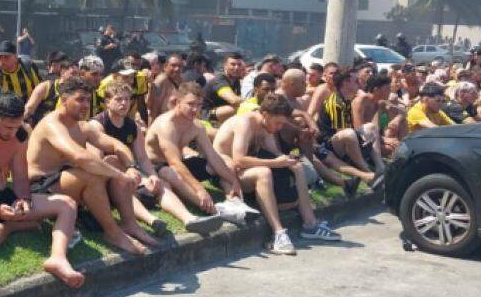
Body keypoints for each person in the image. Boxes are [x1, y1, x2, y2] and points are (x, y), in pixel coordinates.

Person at [0, 93, 85, 287]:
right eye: (8, 127)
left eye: (17, 126)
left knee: (67, 204)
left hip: (5, 195)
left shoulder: (20, 135)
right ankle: (13, 226)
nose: (13, 132)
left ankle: (58, 259)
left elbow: (19, 175)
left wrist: (24, 200)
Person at [27, 77, 159, 255]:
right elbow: (81, 157)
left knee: (116, 161)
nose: (86, 105)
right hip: (41, 188)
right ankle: (113, 233)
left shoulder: (82, 127)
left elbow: (117, 145)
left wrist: (130, 166)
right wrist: (120, 175)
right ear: (64, 100)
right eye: (80, 99)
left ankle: (130, 224)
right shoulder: (52, 124)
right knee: (92, 176)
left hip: (65, 181)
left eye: (88, 100)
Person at [213, 94, 341, 255]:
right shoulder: (245, 123)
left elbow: (275, 153)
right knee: (263, 172)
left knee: (297, 167)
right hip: (226, 171)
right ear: (265, 114)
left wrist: (287, 160)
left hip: (243, 170)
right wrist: (276, 163)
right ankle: (279, 234)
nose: (280, 127)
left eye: (282, 123)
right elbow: (238, 159)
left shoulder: (266, 125)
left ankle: (310, 224)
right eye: (278, 123)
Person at [91, 79, 222, 235]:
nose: (124, 103)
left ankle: (188, 218)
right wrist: (124, 174)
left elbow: (142, 158)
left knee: (162, 184)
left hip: (130, 173)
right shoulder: (97, 125)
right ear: (107, 102)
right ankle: (151, 220)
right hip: (107, 178)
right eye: (118, 99)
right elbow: (96, 162)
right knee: (111, 161)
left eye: (127, 99)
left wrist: (153, 176)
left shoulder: (133, 126)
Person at [144, 82, 246, 224]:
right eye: (190, 104)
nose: (195, 109)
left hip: (179, 164)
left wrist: (233, 180)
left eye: (198, 105)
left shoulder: (196, 126)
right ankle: (214, 210)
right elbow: (174, 162)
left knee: (225, 160)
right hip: (156, 167)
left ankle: (235, 202)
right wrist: (199, 189)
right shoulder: (166, 124)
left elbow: (212, 156)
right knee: (169, 172)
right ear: (177, 102)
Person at [203, 52, 248, 123]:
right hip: (206, 115)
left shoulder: (236, 81)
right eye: (233, 64)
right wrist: (252, 103)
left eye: (239, 65)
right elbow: (234, 100)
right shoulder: (219, 80)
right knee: (239, 108)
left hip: (221, 111)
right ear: (225, 66)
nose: (236, 67)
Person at [149, 53, 186, 120]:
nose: (177, 69)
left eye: (180, 66)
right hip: (163, 122)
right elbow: (153, 109)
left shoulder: (181, 81)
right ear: (165, 66)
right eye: (173, 65)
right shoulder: (160, 81)